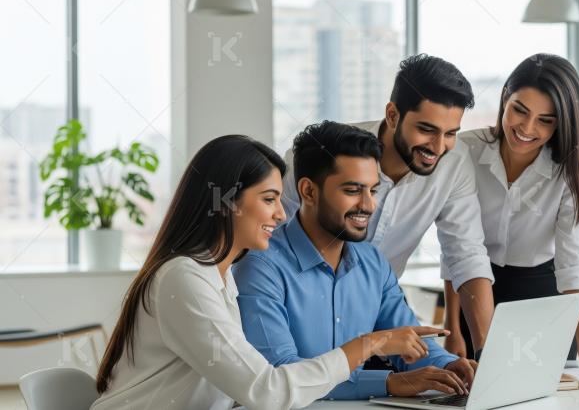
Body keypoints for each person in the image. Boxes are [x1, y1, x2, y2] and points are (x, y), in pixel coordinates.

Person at [91, 135, 444, 410]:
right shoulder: (183, 279)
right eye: (269, 199)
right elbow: (266, 389)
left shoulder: (220, 276)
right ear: (226, 202)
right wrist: (370, 344)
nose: (280, 214)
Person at [234, 121, 476, 400]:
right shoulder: (260, 266)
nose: (369, 205)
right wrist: (388, 383)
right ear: (309, 191)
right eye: (352, 191)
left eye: (372, 190)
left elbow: (408, 337)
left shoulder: (373, 262)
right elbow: (282, 374)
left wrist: (448, 365)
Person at [280, 54, 495, 354]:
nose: (438, 147)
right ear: (393, 115)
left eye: (450, 134)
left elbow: (467, 256)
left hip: (380, 310)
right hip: (303, 312)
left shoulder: (455, 165)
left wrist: (487, 353)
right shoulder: (326, 154)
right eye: (427, 130)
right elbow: (271, 241)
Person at [444, 54, 579, 371]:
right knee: (477, 389)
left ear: (562, 122)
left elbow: (574, 259)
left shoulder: (575, 170)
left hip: (543, 295)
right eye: (519, 110)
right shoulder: (465, 150)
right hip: (477, 294)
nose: (526, 128)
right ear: (505, 96)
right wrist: (452, 326)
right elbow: (458, 249)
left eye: (545, 120)